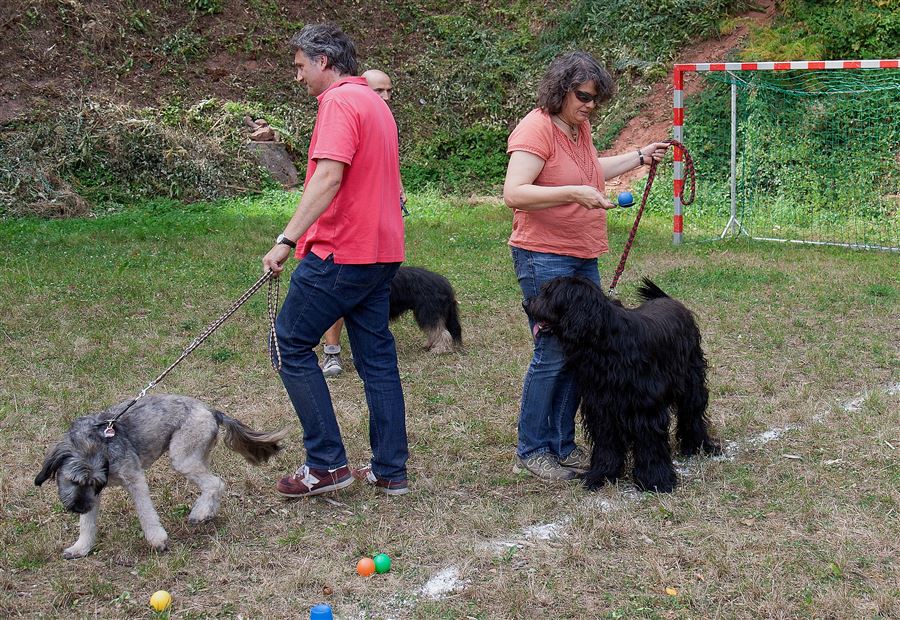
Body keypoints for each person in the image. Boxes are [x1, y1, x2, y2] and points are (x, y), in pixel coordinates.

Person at [503, 50, 668, 482]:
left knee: (584, 350)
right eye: (584, 96)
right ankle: (533, 450)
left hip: (582, 253)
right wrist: (573, 193)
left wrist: (639, 156)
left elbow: (593, 171)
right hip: (544, 255)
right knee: (552, 353)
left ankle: (562, 444)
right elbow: (515, 192)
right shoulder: (536, 128)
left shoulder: (578, 128)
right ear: (561, 90)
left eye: (596, 99)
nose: (590, 105)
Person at [262, 23, 409, 497]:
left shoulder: (339, 102)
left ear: (323, 61)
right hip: (382, 251)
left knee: (289, 344)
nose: (298, 76)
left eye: (300, 66)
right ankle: (390, 470)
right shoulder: (375, 102)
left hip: (343, 251)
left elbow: (328, 177)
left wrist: (287, 239)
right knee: (377, 359)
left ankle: (326, 464)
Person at [320, 68, 406, 378]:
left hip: (380, 232)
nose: (385, 97)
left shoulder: (385, 119)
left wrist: (398, 188)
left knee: (368, 295)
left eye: (389, 91)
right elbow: (330, 173)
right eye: (379, 90)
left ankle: (367, 350)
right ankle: (332, 351)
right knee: (335, 294)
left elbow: (386, 163)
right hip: (348, 231)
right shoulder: (346, 110)